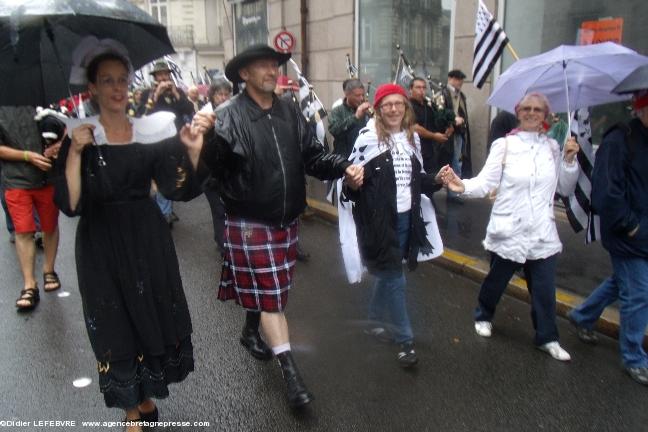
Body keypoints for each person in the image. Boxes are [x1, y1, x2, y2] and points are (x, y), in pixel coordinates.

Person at [192, 44, 363, 407]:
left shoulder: (289, 110)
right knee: (272, 298)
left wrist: (342, 166)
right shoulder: (226, 116)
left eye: (275, 65)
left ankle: (249, 331)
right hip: (250, 222)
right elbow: (215, 173)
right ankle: (292, 376)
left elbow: (312, 156)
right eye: (264, 66)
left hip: (287, 218)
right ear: (244, 75)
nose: (273, 70)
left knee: (273, 290)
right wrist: (205, 142)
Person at [55, 38, 203, 431]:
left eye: (123, 79)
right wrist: (73, 152)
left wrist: (191, 152)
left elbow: (176, 188)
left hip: (146, 239)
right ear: (93, 89)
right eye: (108, 81)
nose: (118, 88)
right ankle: (132, 413)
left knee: (146, 316)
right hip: (101, 243)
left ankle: (145, 399)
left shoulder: (148, 131)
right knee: (114, 322)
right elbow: (70, 205)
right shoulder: (79, 136)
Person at [439, 92, 580, 361]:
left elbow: (563, 188)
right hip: (509, 229)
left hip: (542, 232)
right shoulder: (504, 145)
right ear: (518, 112)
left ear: (546, 115)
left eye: (537, 109)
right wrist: (461, 185)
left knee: (544, 290)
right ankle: (483, 314)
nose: (531, 112)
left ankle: (547, 338)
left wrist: (569, 161)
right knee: (496, 281)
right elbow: (484, 182)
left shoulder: (553, 147)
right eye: (526, 108)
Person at [340, 83, 444, 367]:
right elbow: (348, 188)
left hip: (406, 219)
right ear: (378, 108)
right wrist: (352, 182)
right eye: (388, 104)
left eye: (399, 103)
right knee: (396, 279)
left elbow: (417, 180)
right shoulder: (366, 139)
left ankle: (372, 321)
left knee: (390, 273)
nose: (394, 109)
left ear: (406, 108)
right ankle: (405, 341)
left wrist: (437, 179)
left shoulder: (412, 139)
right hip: (378, 221)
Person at [568, 89, 648, 385]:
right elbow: (606, 192)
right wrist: (630, 225)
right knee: (638, 293)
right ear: (640, 109)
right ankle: (634, 357)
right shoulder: (619, 140)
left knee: (622, 282)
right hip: (628, 234)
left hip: (641, 232)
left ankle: (582, 316)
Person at [0, 107, 62, 311]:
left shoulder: (42, 97)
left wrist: (57, 146)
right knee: (24, 231)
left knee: (50, 226)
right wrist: (28, 156)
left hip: (47, 177)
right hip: (16, 179)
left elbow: (65, 129)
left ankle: (49, 270)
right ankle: (29, 284)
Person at [141, 60, 196, 227]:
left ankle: (167, 207)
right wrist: (156, 94)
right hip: (158, 140)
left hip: (177, 139)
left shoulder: (177, 91)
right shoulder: (147, 93)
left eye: (166, 74)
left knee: (176, 174)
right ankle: (163, 211)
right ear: (155, 77)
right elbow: (145, 113)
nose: (164, 77)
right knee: (161, 174)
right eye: (160, 74)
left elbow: (188, 110)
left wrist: (176, 93)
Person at [203, 79, 233, 254]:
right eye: (219, 94)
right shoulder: (206, 115)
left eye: (226, 94)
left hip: (228, 171)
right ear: (212, 96)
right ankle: (223, 245)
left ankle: (222, 238)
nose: (223, 97)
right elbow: (203, 148)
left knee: (228, 208)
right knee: (219, 209)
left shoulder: (233, 112)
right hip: (210, 173)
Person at [408, 77, 454, 175]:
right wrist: (434, 136)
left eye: (424, 88)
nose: (422, 91)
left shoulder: (429, 105)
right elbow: (414, 128)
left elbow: (439, 120)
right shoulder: (407, 106)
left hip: (430, 153)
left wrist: (449, 125)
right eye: (418, 87)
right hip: (414, 152)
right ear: (410, 89)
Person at [441, 69, 472, 202]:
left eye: (461, 80)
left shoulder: (461, 95)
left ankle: (454, 192)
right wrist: (453, 121)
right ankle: (452, 194)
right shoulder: (443, 94)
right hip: (448, 134)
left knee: (457, 162)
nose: (460, 82)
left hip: (459, 132)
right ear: (451, 79)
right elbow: (440, 113)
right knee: (453, 163)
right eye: (458, 79)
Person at [328, 78, 372, 159]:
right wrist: (355, 117)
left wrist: (372, 117)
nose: (361, 98)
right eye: (357, 95)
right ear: (347, 94)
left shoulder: (367, 111)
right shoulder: (337, 111)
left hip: (364, 158)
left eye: (363, 95)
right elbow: (334, 130)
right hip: (343, 159)